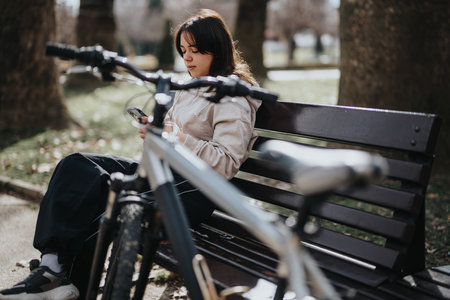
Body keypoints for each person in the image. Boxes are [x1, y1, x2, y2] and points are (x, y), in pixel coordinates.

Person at [0, 8, 261, 300]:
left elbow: (225, 163)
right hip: (164, 176)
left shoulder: (235, 94)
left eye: (196, 51)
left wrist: (176, 137)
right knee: (77, 167)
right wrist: (157, 132)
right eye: (184, 50)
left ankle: (65, 285)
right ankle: (51, 269)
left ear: (218, 50)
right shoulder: (192, 85)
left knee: (108, 198)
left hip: (194, 192)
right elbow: (173, 137)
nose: (187, 58)